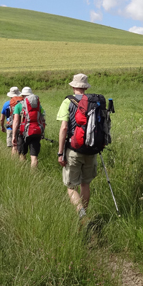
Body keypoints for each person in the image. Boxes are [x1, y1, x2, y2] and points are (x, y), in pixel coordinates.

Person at [57, 73, 98, 219]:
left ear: (74, 86)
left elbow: (63, 128)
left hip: (73, 150)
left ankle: (82, 215)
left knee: (71, 186)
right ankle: (84, 214)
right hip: (91, 149)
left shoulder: (68, 102)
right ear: (86, 87)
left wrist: (60, 152)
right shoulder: (95, 101)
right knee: (85, 184)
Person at [12, 86, 46, 169]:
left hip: (22, 133)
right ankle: (33, 175)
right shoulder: (38, 106)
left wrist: (13, 135)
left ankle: (23, 173)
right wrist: (41, 132)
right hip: (36, 132)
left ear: (23, 96)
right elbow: (43, 119)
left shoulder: (19, 105)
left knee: (22, 154)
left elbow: (16, 121)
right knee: (34, 157)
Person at [0, 86, 22, 156]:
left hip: (10, 127)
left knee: (14, 146)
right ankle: (21, 162)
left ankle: (14, 163)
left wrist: (2, 126)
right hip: (21, 127)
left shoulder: (6, 104)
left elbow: (2, 118)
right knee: (20, 147)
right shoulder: (23, 102)